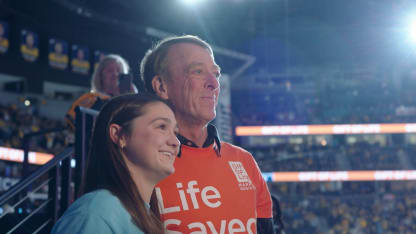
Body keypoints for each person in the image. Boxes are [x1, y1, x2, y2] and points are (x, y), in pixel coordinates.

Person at [140, 35, 274, 233]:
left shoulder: (244, 162)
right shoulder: (137, 166)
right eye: (198, 71)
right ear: (161, 86)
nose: (214, 83)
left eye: (216, 73)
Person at [52, 93, 180, 234]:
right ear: (120, 135)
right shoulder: (96, 213)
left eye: (175, 132)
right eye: (161, 127)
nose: (176, 142)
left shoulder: (141, 215)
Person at [66, 54, 137, 130]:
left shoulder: (129, 103)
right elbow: (70, 122)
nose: (115, 74)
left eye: (119, 71)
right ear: (100, 76)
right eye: (110, 70)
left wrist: (134, 99)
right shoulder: (91, 98)